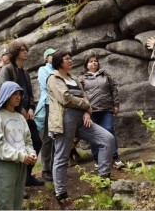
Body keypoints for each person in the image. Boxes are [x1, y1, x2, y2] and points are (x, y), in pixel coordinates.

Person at [47, 50, 114, 209]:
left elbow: (86, 98)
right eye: (67, 58)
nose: (70, 60)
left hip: (82, 119)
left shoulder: (74, 78)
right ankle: (61, 195)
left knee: (107, 139)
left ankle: (103, 179)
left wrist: (86, 111)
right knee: (62, 156)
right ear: (59, 62)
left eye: (70, 58)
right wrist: (85, 105)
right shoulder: (53, 78)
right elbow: (65, 98)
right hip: (64, 120)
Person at [0, 81, 37, 210]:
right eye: (14, 94)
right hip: (6, 166)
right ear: (6, 95)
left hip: (22, 164)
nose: (18, 97)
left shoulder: (20, 118)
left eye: (19, 94)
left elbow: (27, 141)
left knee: (17, 201)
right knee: (5, 202)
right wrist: (20, 156)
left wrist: (31, 153)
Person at [0, 40, 44, 186]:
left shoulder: (25, 73)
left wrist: (31, 108)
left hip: (26, 115)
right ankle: (16, 182)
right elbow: (4, 90)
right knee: (15, 146)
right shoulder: (7, 70)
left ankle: (27, 176)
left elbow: (30, 94)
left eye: (26, 49)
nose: (25, 52)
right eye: (22, 50)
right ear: (16, 52)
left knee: (36, 142)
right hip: (11, 114)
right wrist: (19, 109)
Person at [81, 52, 125, 170]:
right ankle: (97, 159)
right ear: (86, 65)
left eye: (95, 61)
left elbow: (113, 89)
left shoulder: (106, 75)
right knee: (94, 135)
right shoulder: (82, 78)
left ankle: (115, 158)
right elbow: (81, 95)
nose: (93, 63)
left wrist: (116, 105)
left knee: (110, 131)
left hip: (106, 109)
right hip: (91, 111)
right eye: (90, 61)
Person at [35, 48, 57, 181]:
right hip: (48, 104)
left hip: (59, 105)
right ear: (46, 58)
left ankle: (56, 167)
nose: (54, 57)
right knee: (48, 138)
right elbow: (47, 85)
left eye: (55, 55)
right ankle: (45, 169)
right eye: (51, 55)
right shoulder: (43, 70)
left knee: (57, 136)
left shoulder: (58, 69)